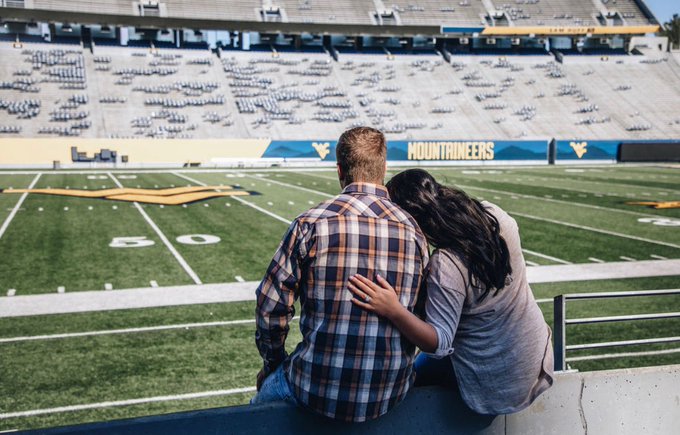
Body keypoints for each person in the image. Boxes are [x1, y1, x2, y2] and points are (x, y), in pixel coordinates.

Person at [252, 127, 429, 422]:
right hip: (390, 394)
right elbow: (423, 315)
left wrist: (273, 362)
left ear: (339, 170)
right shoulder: (414, 231)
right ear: (384, 168)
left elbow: (270, 306)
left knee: (257, 408)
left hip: (314, 390)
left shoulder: (310, 223)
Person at [348, 168, 553, 415]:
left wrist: (394, 310)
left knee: (412, 376)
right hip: (535, 355)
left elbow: (439, 343)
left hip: (497, 382)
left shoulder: (447, 264)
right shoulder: (495, 216)